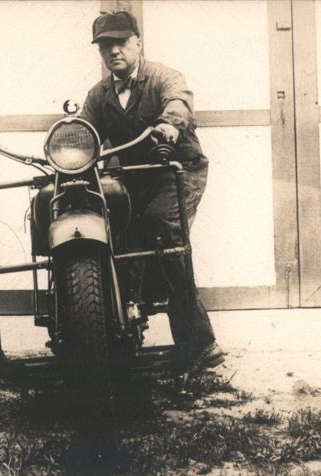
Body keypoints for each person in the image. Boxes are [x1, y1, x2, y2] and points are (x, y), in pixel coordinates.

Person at [79, 10, 225, 371]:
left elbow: (179, 102)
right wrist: (67, 148)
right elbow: (83, 132)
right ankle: (119, 335)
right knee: (117, 237)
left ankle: (201, 344)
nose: (114, 51)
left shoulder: (164, 77)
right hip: (133, 178)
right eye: (105, 45)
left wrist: (169, 124)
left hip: (177, 171)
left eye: (121, 42)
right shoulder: (99, 95)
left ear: (138, 43)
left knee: (165, 231)